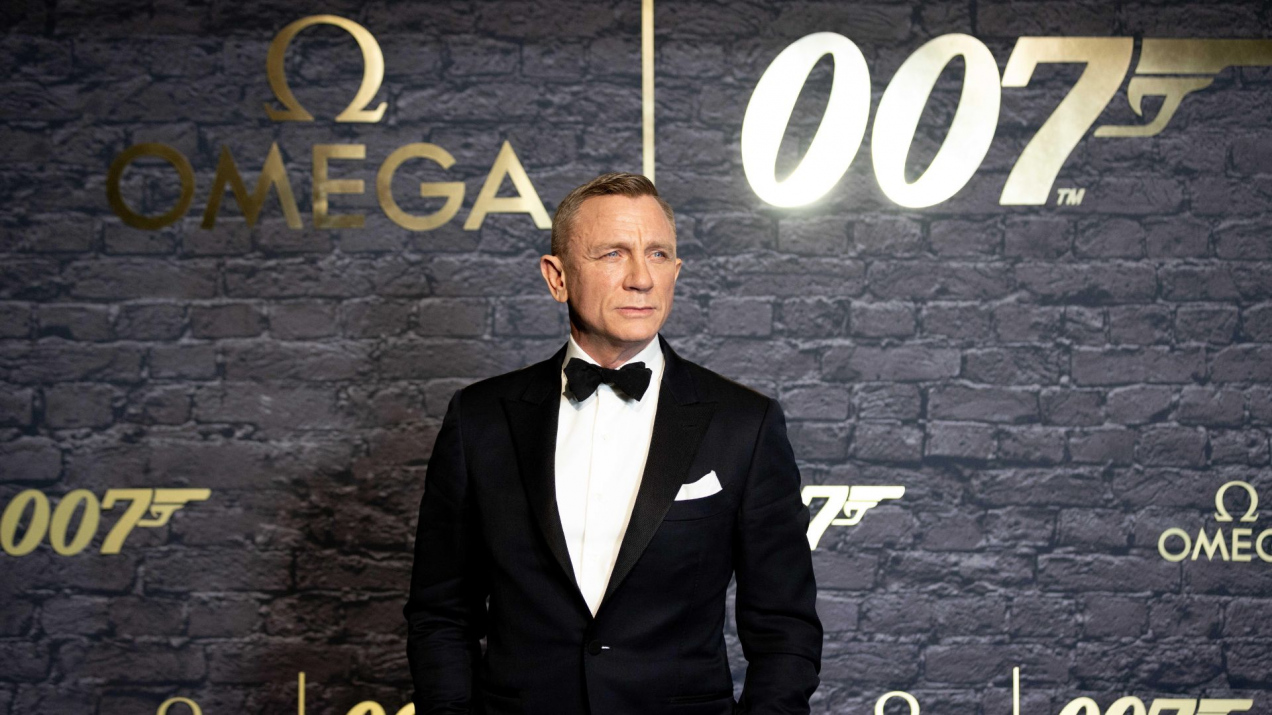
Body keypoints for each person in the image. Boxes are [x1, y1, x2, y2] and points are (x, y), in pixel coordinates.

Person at [403, 172, 822, 715]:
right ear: (557, 277)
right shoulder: (480, 419)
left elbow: (785, 628)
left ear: (676, 272)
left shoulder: (745, 423)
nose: (641, 278)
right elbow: (441, 614)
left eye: (657, 254)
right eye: (612, 254)